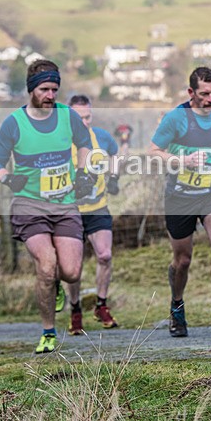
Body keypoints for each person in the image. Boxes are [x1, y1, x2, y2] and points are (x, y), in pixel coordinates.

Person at [0, 59, 94, 354]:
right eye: (45, 89)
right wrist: (9, 179)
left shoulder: (68, 116)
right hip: (29, 205)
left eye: (55, 89)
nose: (51, 95)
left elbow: (84, 143)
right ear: (32, 90)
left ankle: (57, 283)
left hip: (64, 204)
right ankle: (48, 332)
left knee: (71, 272)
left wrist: (84, 172)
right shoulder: (15, 123)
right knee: (46, 266)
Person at [149, 67, 211, 337]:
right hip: (180, 197)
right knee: (183, 260)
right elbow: (153, 152)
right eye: (204, 94)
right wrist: (181, 161)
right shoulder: (176, 118)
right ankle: (177, 306)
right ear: (191, 93)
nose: (210, 99)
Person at [65, 94, 121, 335]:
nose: (84, 123)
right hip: (70, 210)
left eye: (88, 117)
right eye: (79, 118)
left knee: (105, 255)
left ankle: (101, 305)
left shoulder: (101, 137)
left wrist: (115, 177)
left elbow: (115, 153)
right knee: (73, 268)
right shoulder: (61, 142)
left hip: (98, 207)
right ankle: (75, 310)